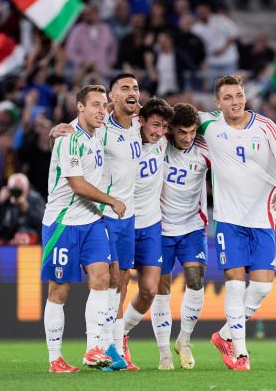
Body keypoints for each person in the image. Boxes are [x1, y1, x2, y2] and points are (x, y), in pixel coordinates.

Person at [197, 75, 276, 371]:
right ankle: (240, 353)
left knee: (262, 288)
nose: (235, 101)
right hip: (228, 219)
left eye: (239, 95)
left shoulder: (265, 125)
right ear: (218, 103)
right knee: (235, 285)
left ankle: (225, 335)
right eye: (228, 97)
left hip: (262, 216)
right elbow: (168, 117)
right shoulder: (208, 124)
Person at [41, 84, 125, 373]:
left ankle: (93, 349)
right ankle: (55, 359)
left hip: (91, 221)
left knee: (103, 277)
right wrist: (112, 201)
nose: (102, 111)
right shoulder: (69, 138)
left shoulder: (98, 132)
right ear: (80, 107)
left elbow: (127, 112)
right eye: (96, 105)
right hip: (63, 222)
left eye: (105, 105)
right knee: (59, 290)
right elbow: (77, 185)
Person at [149, 103, 210, 371]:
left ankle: (183, 340)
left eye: (192, 131)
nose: (187, 138)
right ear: (171, 129)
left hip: (192, 227)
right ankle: (164, 352)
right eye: (182, 132)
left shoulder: (206, 150)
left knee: (195, 281)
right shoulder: (158, 145)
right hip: (160, 229)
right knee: (161, 289)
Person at [119, 98, 174, 370]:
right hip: (124, 223)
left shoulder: (163, 143)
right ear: (141, 121)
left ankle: (122, 332)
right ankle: (111, 343)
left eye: (164, 126)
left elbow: (194, 120)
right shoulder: (124, 141)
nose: (159, 132)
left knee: (150, 290)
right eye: (155, 125)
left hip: (152, 225)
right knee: (117, 288)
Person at [0, 173, 45, 245]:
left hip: (28, 235)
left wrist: (27, 209)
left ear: (26, 188)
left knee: (23, 236)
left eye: (20, 189)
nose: (16, 193)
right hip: (7, 234)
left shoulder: (35, 199)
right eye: (14, 189)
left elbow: (42, 223)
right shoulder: (4, 198)